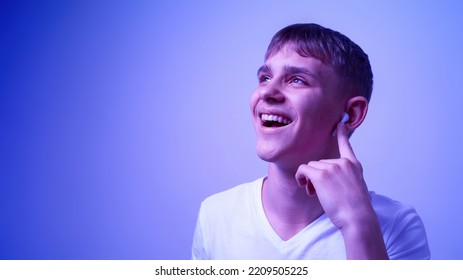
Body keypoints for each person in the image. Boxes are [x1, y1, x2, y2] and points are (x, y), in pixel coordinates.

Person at [191, 23, 430, 260]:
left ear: (352, 114)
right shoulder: (215, 215)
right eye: (265, 78)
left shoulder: (397, 226)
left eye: (296, 80)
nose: (266, 92)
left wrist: (357, 222)